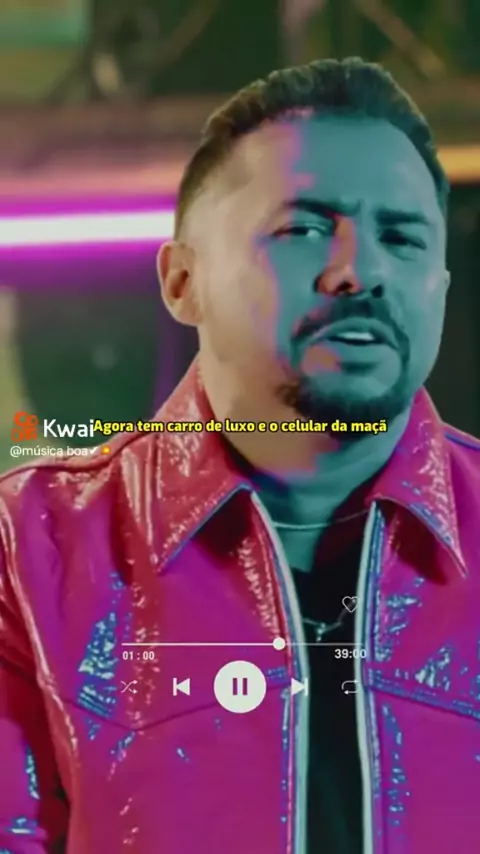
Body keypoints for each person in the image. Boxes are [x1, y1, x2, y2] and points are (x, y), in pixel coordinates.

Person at [0, 57, 479, 854]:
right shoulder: (32, 548)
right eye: (303, 229)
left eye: (402, 237)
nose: (360, 272)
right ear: (181, 281)